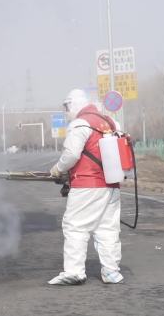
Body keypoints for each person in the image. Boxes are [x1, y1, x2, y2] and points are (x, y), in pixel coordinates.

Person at [48, 88, 124, 285]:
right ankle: (111, 272)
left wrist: (58, 168)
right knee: (107, 229)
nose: (66, 112)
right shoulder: (111, 122)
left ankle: (74, 272)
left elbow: (72, 154)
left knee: (75, 227)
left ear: (73, 104)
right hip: (112, 185)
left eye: (66, 107)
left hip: (86, 185)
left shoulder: (80, 123)